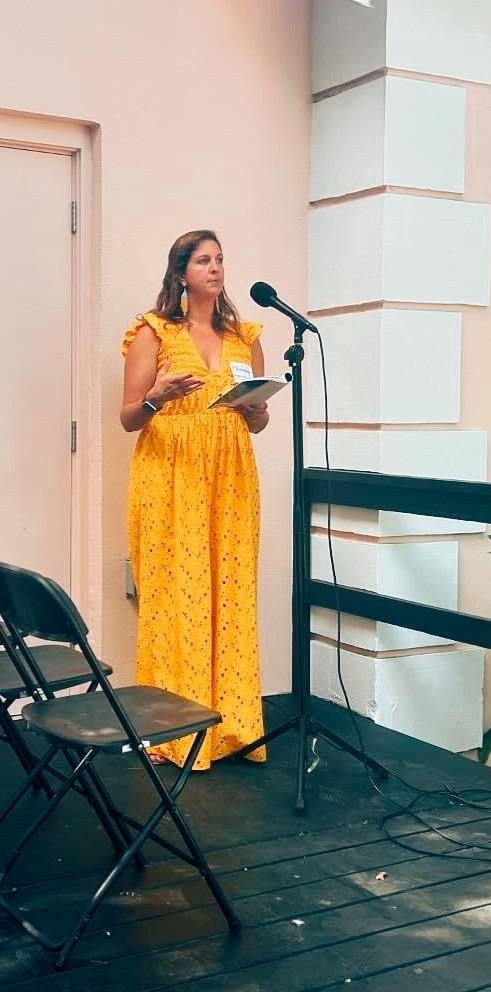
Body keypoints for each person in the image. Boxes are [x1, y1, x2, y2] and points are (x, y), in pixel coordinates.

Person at [120, 229, 269, 770]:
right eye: (203, 260)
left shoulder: (243, 336)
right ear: (181, 272)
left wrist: (254, 408)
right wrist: (157, 398)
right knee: (177, 597)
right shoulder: (153, 332)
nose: (216, 267)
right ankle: (173, 731)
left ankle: (230, 728)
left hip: (230, 474)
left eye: (221, 258)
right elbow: (129, 417)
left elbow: (258, 422)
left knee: (228, 594)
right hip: (170, 473)